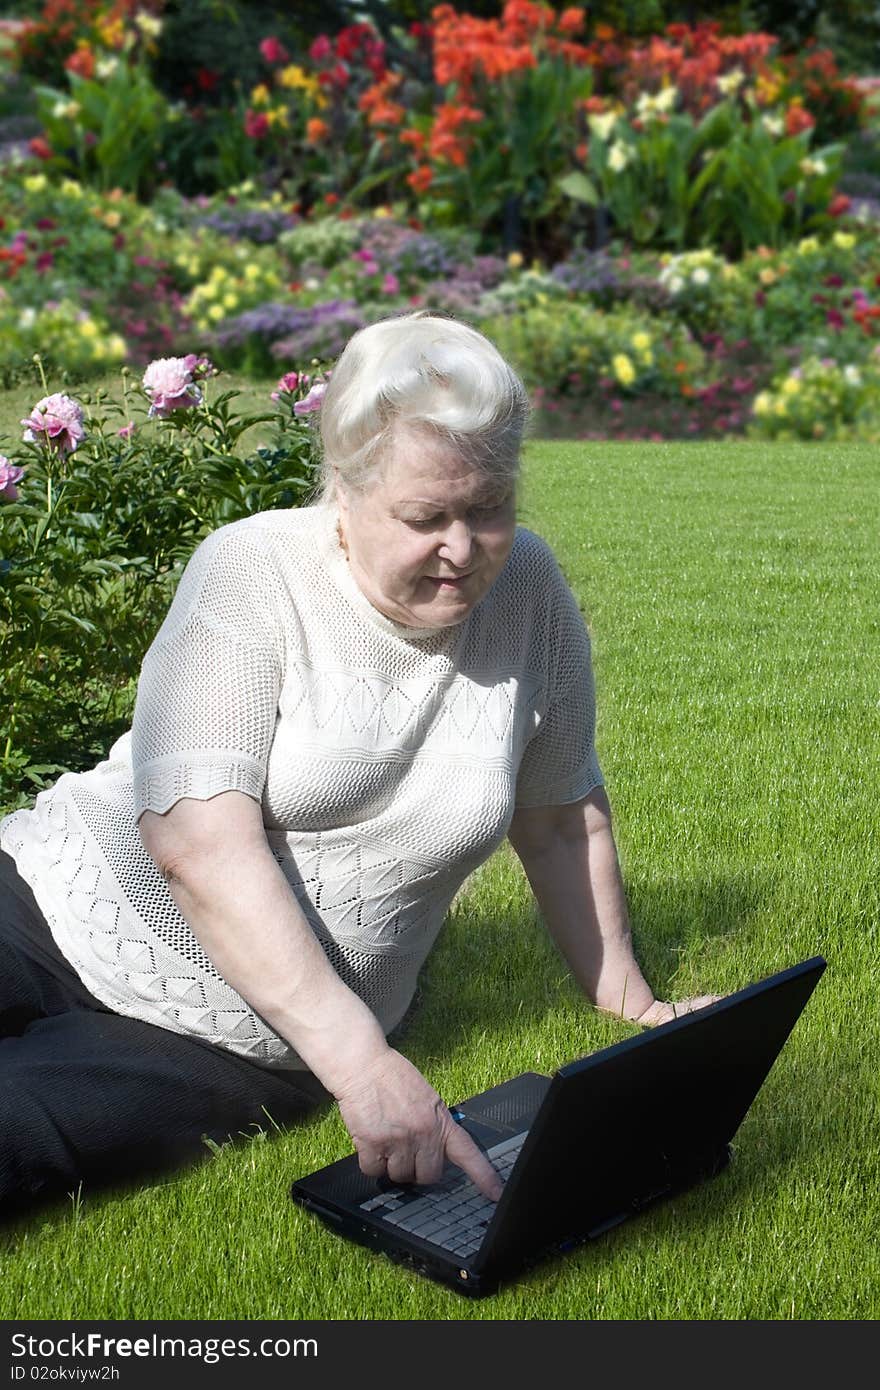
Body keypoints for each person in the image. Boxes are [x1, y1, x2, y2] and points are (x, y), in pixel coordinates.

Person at [0, 312, 716, 1218]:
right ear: (345, 486)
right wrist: (367, 1067)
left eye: (489, 508)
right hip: (52, 897)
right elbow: (198, 845)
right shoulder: (253, 570)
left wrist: (633, 1005)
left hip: (244, 1034)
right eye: (426, 518)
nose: (462, 548)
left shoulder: (530, 591)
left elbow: (560, 815)